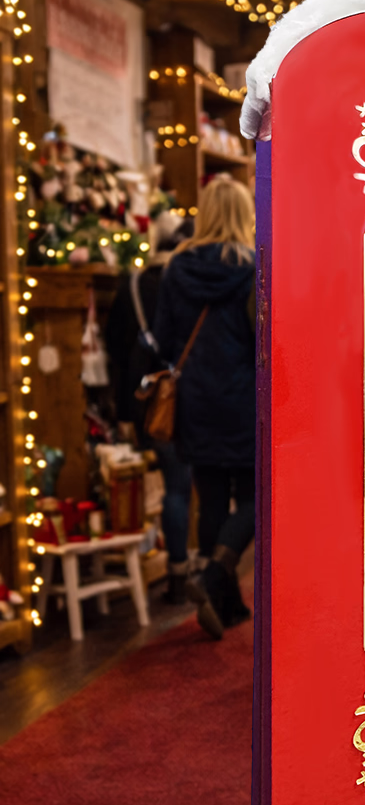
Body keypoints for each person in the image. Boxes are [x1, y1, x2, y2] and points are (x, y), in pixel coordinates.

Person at [154, 177, 256, 639]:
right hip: (244, 398)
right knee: (258, 497)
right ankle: (215, 579)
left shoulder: (176, 268)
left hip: (195, 399)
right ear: (243, 213)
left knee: (211, 497)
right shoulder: (254, 267)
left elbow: (163, 336)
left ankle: (226, 602)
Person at [106, 212, 194, 604]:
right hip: (188, 396)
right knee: (186, 487)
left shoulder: (133, 285)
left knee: (167, 486)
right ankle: (193, 571)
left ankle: (170, 564)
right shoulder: (186, 281)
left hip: (147, 401)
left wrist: (125, 409)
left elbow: (116, 348)